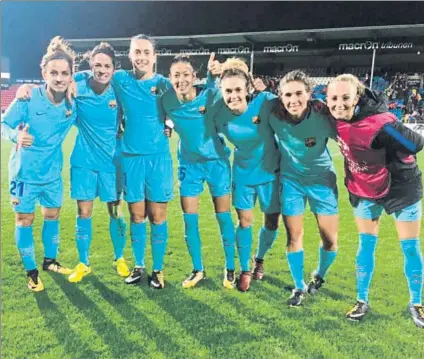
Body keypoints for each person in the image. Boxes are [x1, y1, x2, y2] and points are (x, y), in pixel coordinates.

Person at [326, 74, 424, 328]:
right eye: (333, 98)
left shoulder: (382, 123)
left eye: (345, 98)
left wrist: (390, 145)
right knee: (366, 245)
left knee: (410, 247)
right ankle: (362, 300)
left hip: (401, 188)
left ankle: (416, 303)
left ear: (356, 97)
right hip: (364, 189)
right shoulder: (330, 119)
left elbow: (415, 143)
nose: (339, 104)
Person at [1, 36, 77, 292]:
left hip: (52, 173)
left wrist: (76, 82)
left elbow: (99, 77)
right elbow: (3, 124)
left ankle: (50, 262)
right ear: (44, 72)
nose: (59, 78)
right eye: (53, 72)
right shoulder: (28, 98)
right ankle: (31, 272)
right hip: (24, 174)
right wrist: (16, 136)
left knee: (52, 215)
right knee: (24, 219)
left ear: (70, 76)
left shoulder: (72, 102)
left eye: (65, 73)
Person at [160, 54, 236, 289]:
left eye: (185, 74)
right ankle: (197, 269)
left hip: (217, 163)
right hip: (189, 166)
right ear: (170, 78)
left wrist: (221, 70)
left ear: (194, 77)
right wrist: (167, 125)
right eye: (176, 75)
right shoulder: (167, 101)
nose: (181, 79)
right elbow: (165, 118)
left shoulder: (211, 95)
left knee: (223, 216)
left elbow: (230, 88)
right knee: (189, 219)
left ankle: (230, 268)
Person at [266, 70, 339, 307]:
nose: (293, 99)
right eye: (287, 94)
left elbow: (350, 135)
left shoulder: (323, 116)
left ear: (309, 94)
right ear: (280, 96)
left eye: (299, 93)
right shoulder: (274, 115)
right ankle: (298, 287)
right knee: (293, 236)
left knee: (329, 240)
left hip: (322, 180)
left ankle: (319, 276)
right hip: (292, 181)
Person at [213, 58, 281, 292]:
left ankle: (259, 258)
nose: (233, 95)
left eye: (238, 90)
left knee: (272, 222)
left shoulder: (265, 102)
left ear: (248, 88)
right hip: (242, 174)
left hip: (271, 173)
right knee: (244, 221)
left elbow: (291, 107)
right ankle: (244, 269)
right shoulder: (219, 113)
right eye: (228, 91)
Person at [68, 43, 129, 282]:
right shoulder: (79, 85)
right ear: (90, 65)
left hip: (113, 163)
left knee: (116, 212)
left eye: (107, 66)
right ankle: (83, 263)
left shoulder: (118, 89)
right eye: (97, 65)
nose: (101, 70)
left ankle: (119, 257)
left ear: (114, 68)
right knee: (84, 213)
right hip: (83, 162)